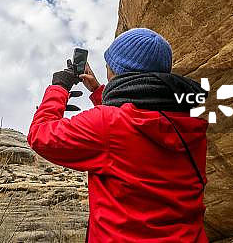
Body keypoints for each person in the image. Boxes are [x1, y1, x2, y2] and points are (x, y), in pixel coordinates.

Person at [27, 27, 209, 242]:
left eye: (109, 65)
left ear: (117, 72)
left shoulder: (108, 125)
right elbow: (132, 126)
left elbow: (40, 135)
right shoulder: (190, 125)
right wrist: (99, 92)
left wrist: (59, 88)